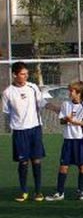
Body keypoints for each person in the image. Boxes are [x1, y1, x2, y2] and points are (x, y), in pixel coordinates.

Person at [3, 61, 50, 201]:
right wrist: (9, 128)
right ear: (14, 75)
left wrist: (57, 109)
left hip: (35, 128)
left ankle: (38, 191)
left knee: (36, 160)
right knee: (23, 162)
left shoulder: (33, 87)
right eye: (23, 74)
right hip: (19, 131)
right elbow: (6, 112)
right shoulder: (8, 92)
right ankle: (23, 191)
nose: (26, 76)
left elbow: (42, 103)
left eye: (26, 74)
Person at [46, 81, 83, 201]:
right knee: (63, 166)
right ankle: (60, 192)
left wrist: (73, 121)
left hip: (81, 140)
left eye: (72, 91)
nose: (69, 93)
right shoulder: (66, 104)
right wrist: (66, 119)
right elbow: (61, 121)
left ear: (79, 93)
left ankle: (81, 191)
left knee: (82, 166)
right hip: (68, 140)